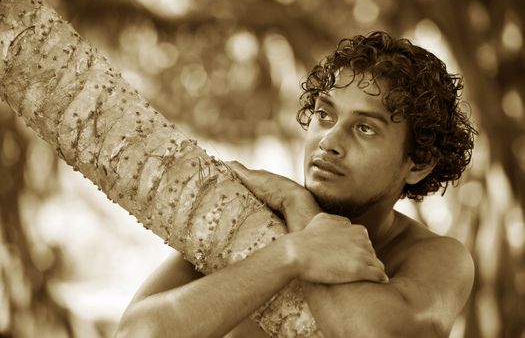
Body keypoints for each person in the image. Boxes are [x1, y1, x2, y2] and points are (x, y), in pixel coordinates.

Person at [115, 31, 477, 338]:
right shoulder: (246, 218)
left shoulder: (435, 256)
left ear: (418, 164)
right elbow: (135, 333)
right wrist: (290, 255)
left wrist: (298, 205)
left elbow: (376, 331)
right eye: (324, 115)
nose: (329, 141)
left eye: (365, 128)